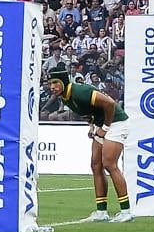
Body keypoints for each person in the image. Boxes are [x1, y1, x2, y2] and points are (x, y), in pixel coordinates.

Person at [44, 65, 133, 222]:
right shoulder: (66, 96)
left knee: (109, 164)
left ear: (64, 81)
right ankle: (101, 212)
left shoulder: (80, 92)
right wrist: (92, 126)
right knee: (95, 165)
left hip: (116, 123)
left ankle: (126, 211)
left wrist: (104, 129)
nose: (52, 87)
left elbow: (110, 104)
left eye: (55, 83)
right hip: (101, 124)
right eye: (50, 84)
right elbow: (88, 111)